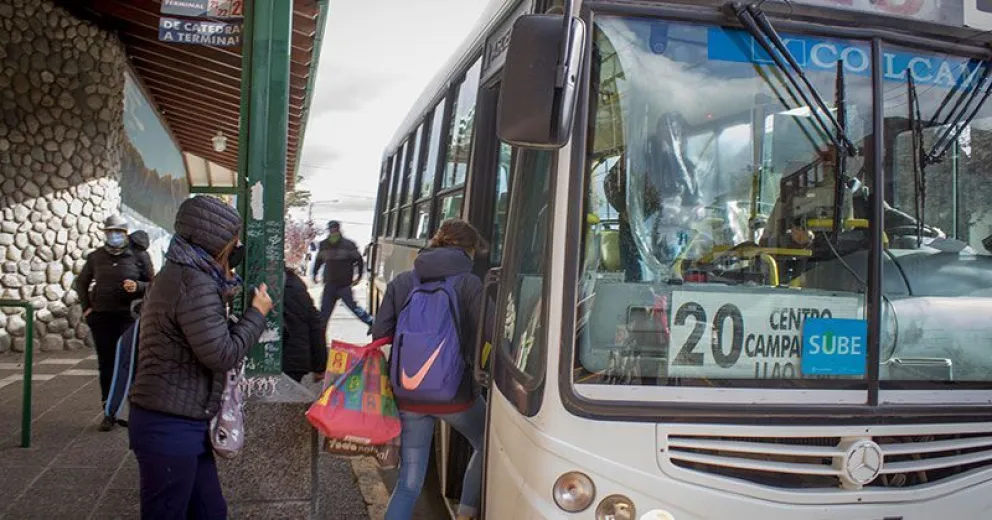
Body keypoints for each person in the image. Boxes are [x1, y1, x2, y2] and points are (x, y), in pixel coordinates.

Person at [127, 196, 274, 519]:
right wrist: (257, 314)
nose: (237, 248)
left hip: (182, 422)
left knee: (210, 511)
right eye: (233, 241)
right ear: (215, 242)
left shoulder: (183, 274)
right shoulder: (194, 283)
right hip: (169, 426)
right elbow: (222, 354)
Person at [371, 219, 487, 520]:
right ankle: (465, 512)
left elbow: (380, 333)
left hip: (409, 397)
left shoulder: (402, 281)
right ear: (468, 250)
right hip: (457, 395)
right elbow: (485, 337)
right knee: (486, 442)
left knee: (409, 483)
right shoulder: (470, 283)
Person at [74, 215, 154, 431]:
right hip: (101, 318)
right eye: (110, 231)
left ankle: (137, 411)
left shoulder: (139, 256)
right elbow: (81, 283)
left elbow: (154, 285)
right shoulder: (95, 257)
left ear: (126, 234)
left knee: (131, 364)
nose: (114, 235)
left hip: (128, 318)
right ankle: (109, 412)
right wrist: (87, 308)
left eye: (119, 231)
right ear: (105, 233)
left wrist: (137, 286)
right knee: (106, 363)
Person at [312, 220, 373, 333]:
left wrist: (359, 276)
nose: (333, 231)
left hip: (344, 284)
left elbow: (359, 261)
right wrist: (314, 273)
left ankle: (371, 323)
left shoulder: (348, 245)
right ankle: (319, 339)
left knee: (353, 308)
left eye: (334, 229)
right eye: (331, 229)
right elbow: (319, 261)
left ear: (338, 229)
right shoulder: (324, 245)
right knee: (324, 315)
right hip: (330, 284)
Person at [282, 265, 327, 383]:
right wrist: (320, 366)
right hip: (293, 361)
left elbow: (315, 324)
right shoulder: (293, 283)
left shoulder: (290, 285)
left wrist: (320, 365)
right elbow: (315, 324)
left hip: (289, 360)